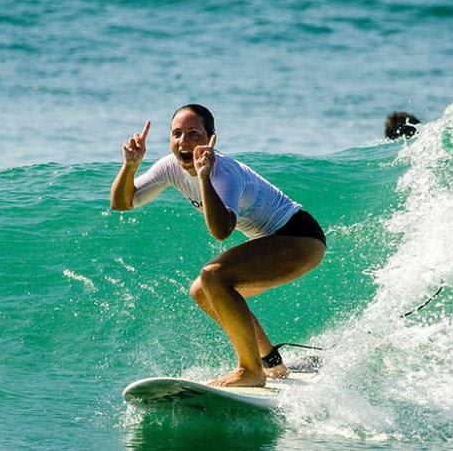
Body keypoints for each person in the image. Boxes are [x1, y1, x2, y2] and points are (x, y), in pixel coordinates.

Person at [110, 104, 326, 388]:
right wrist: (131, 165)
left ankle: (250, 370)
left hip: (300, 236)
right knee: (201, 290)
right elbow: (122, 203)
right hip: (272, 241)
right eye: (176, 134)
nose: (183, 142)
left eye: (193, 134)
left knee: (214, 275)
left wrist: (203, 177)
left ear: (211, 138)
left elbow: (221, 231)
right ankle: (271, 363)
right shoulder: (170, 167)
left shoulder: (223, 173)